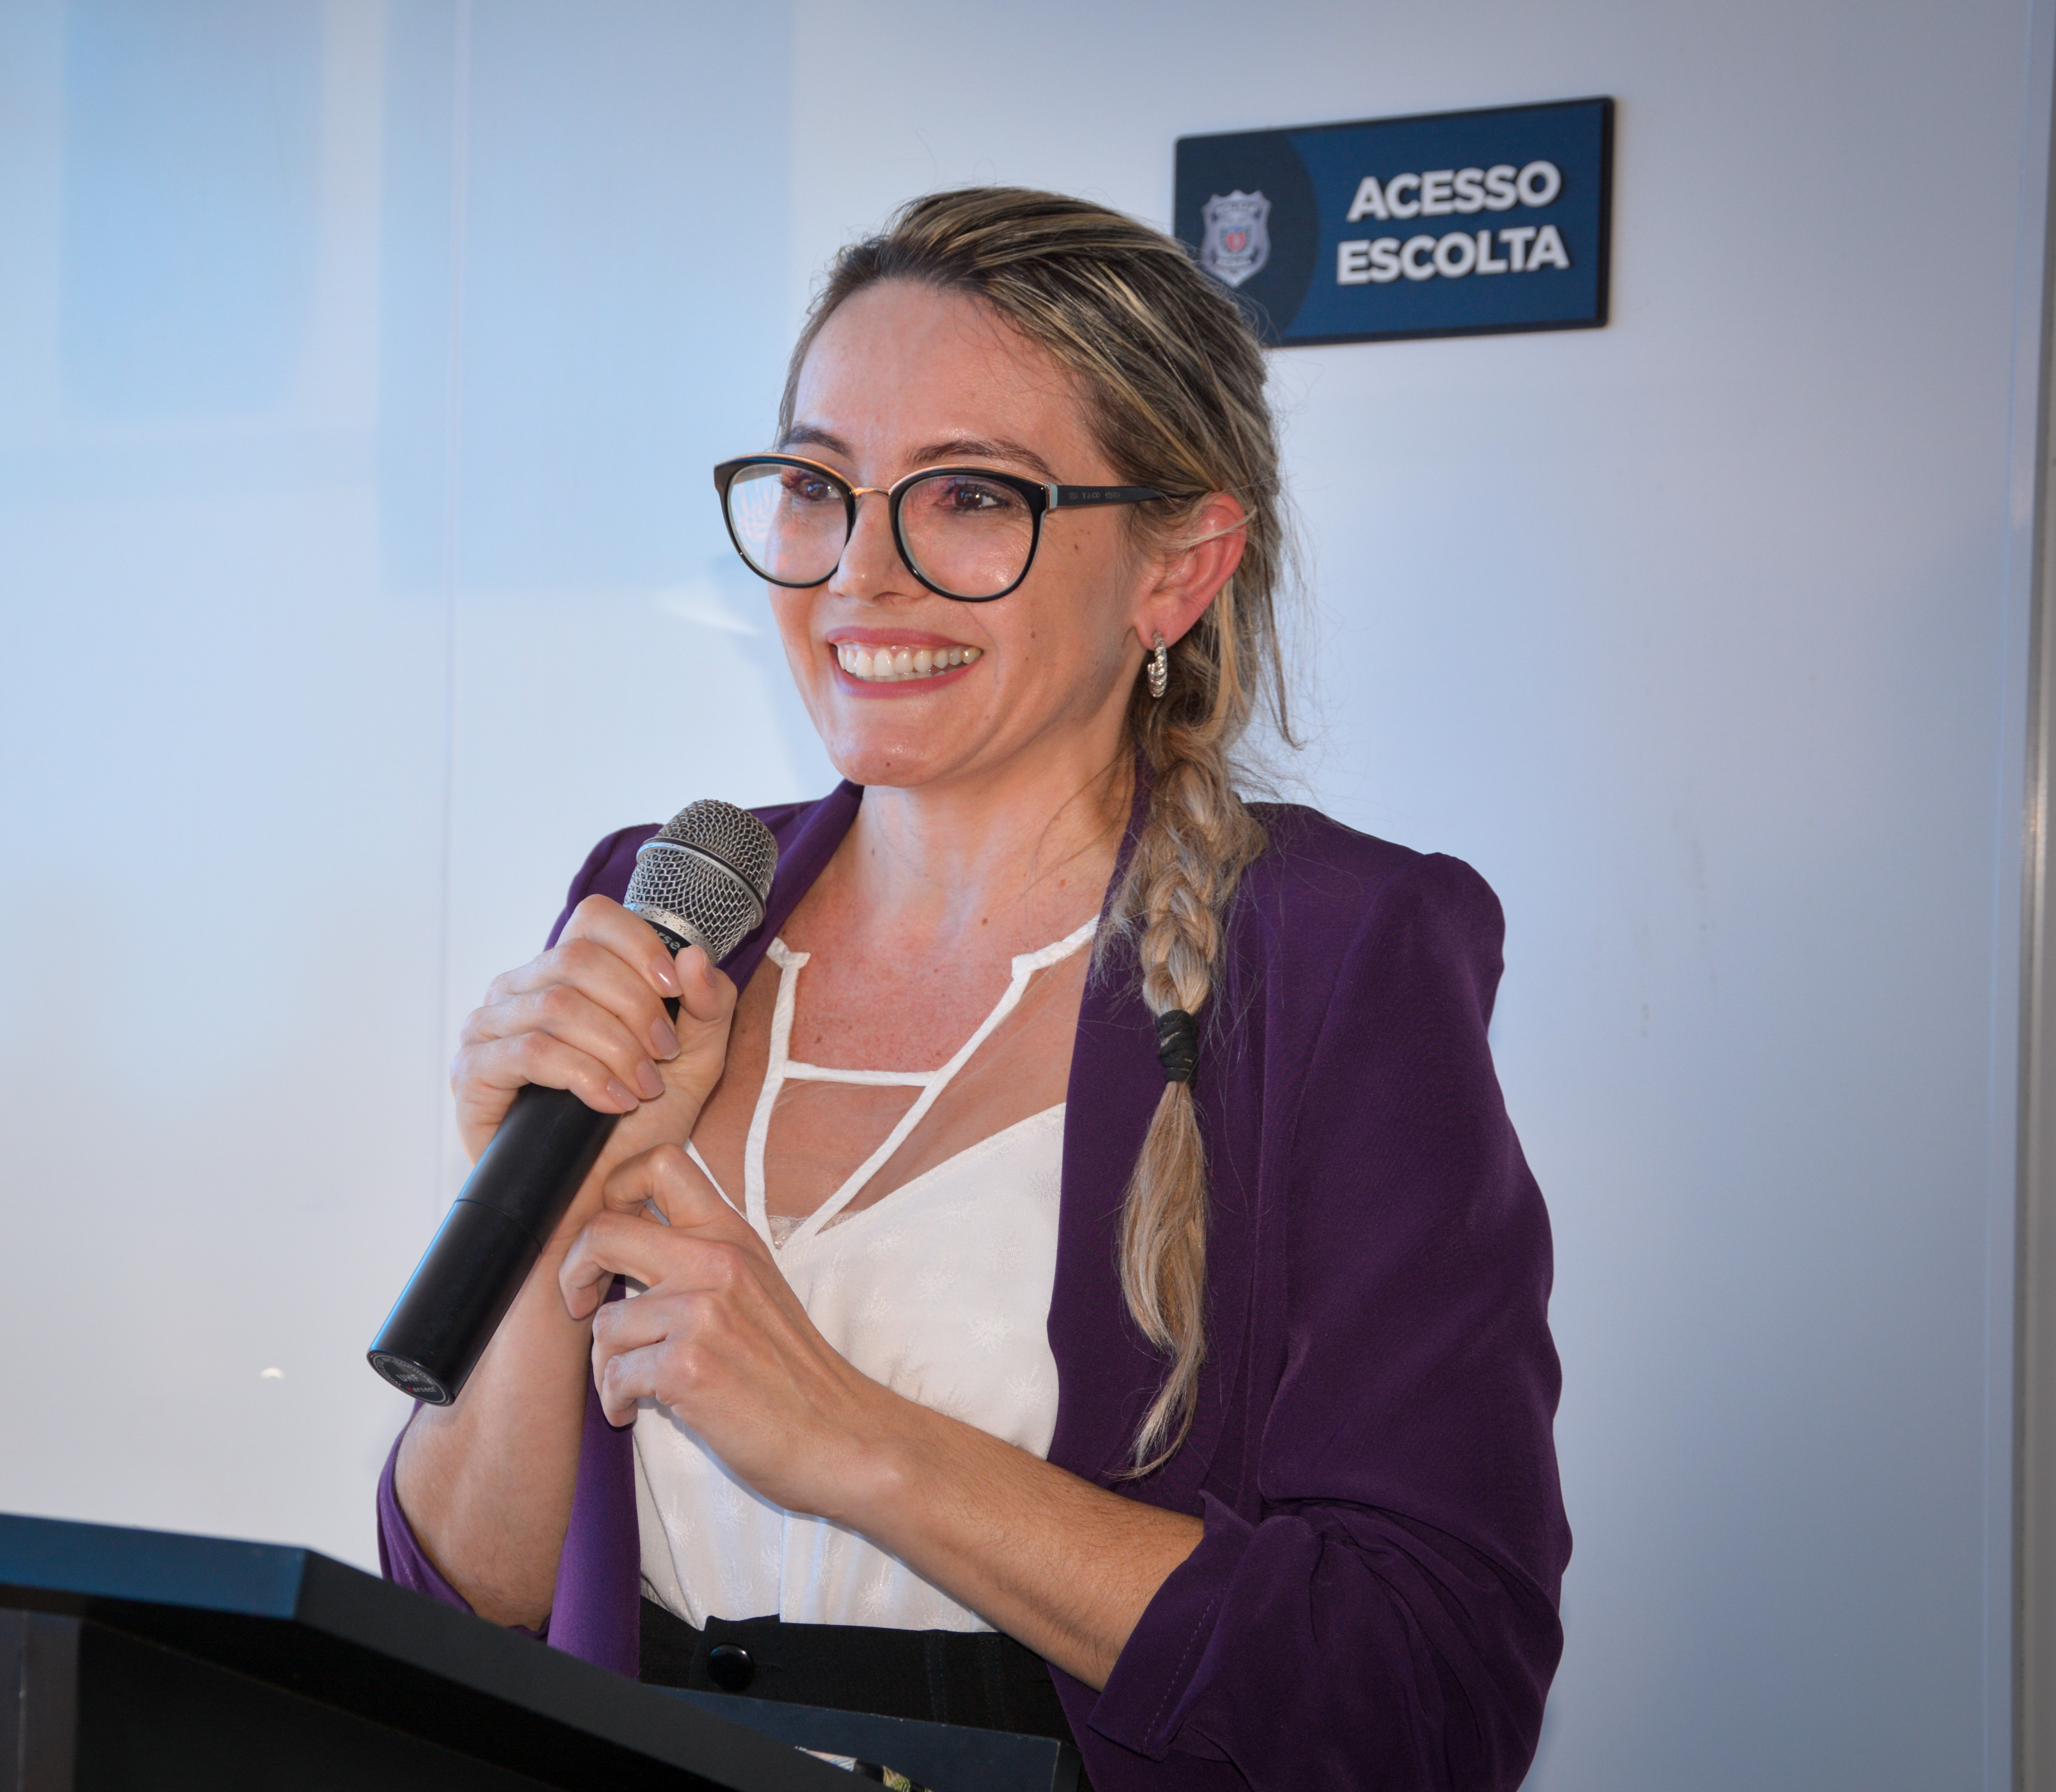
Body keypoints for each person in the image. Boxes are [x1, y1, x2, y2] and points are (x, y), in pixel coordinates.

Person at [378, 186, 1568, 1792]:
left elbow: (1425, 1693)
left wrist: (857, 1441)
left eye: (970, 498)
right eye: (821, 488)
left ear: (1179, 568)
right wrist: (544, 1225)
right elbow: (464, 1605)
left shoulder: (1334, 952)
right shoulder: (666, 902)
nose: (862, 573)